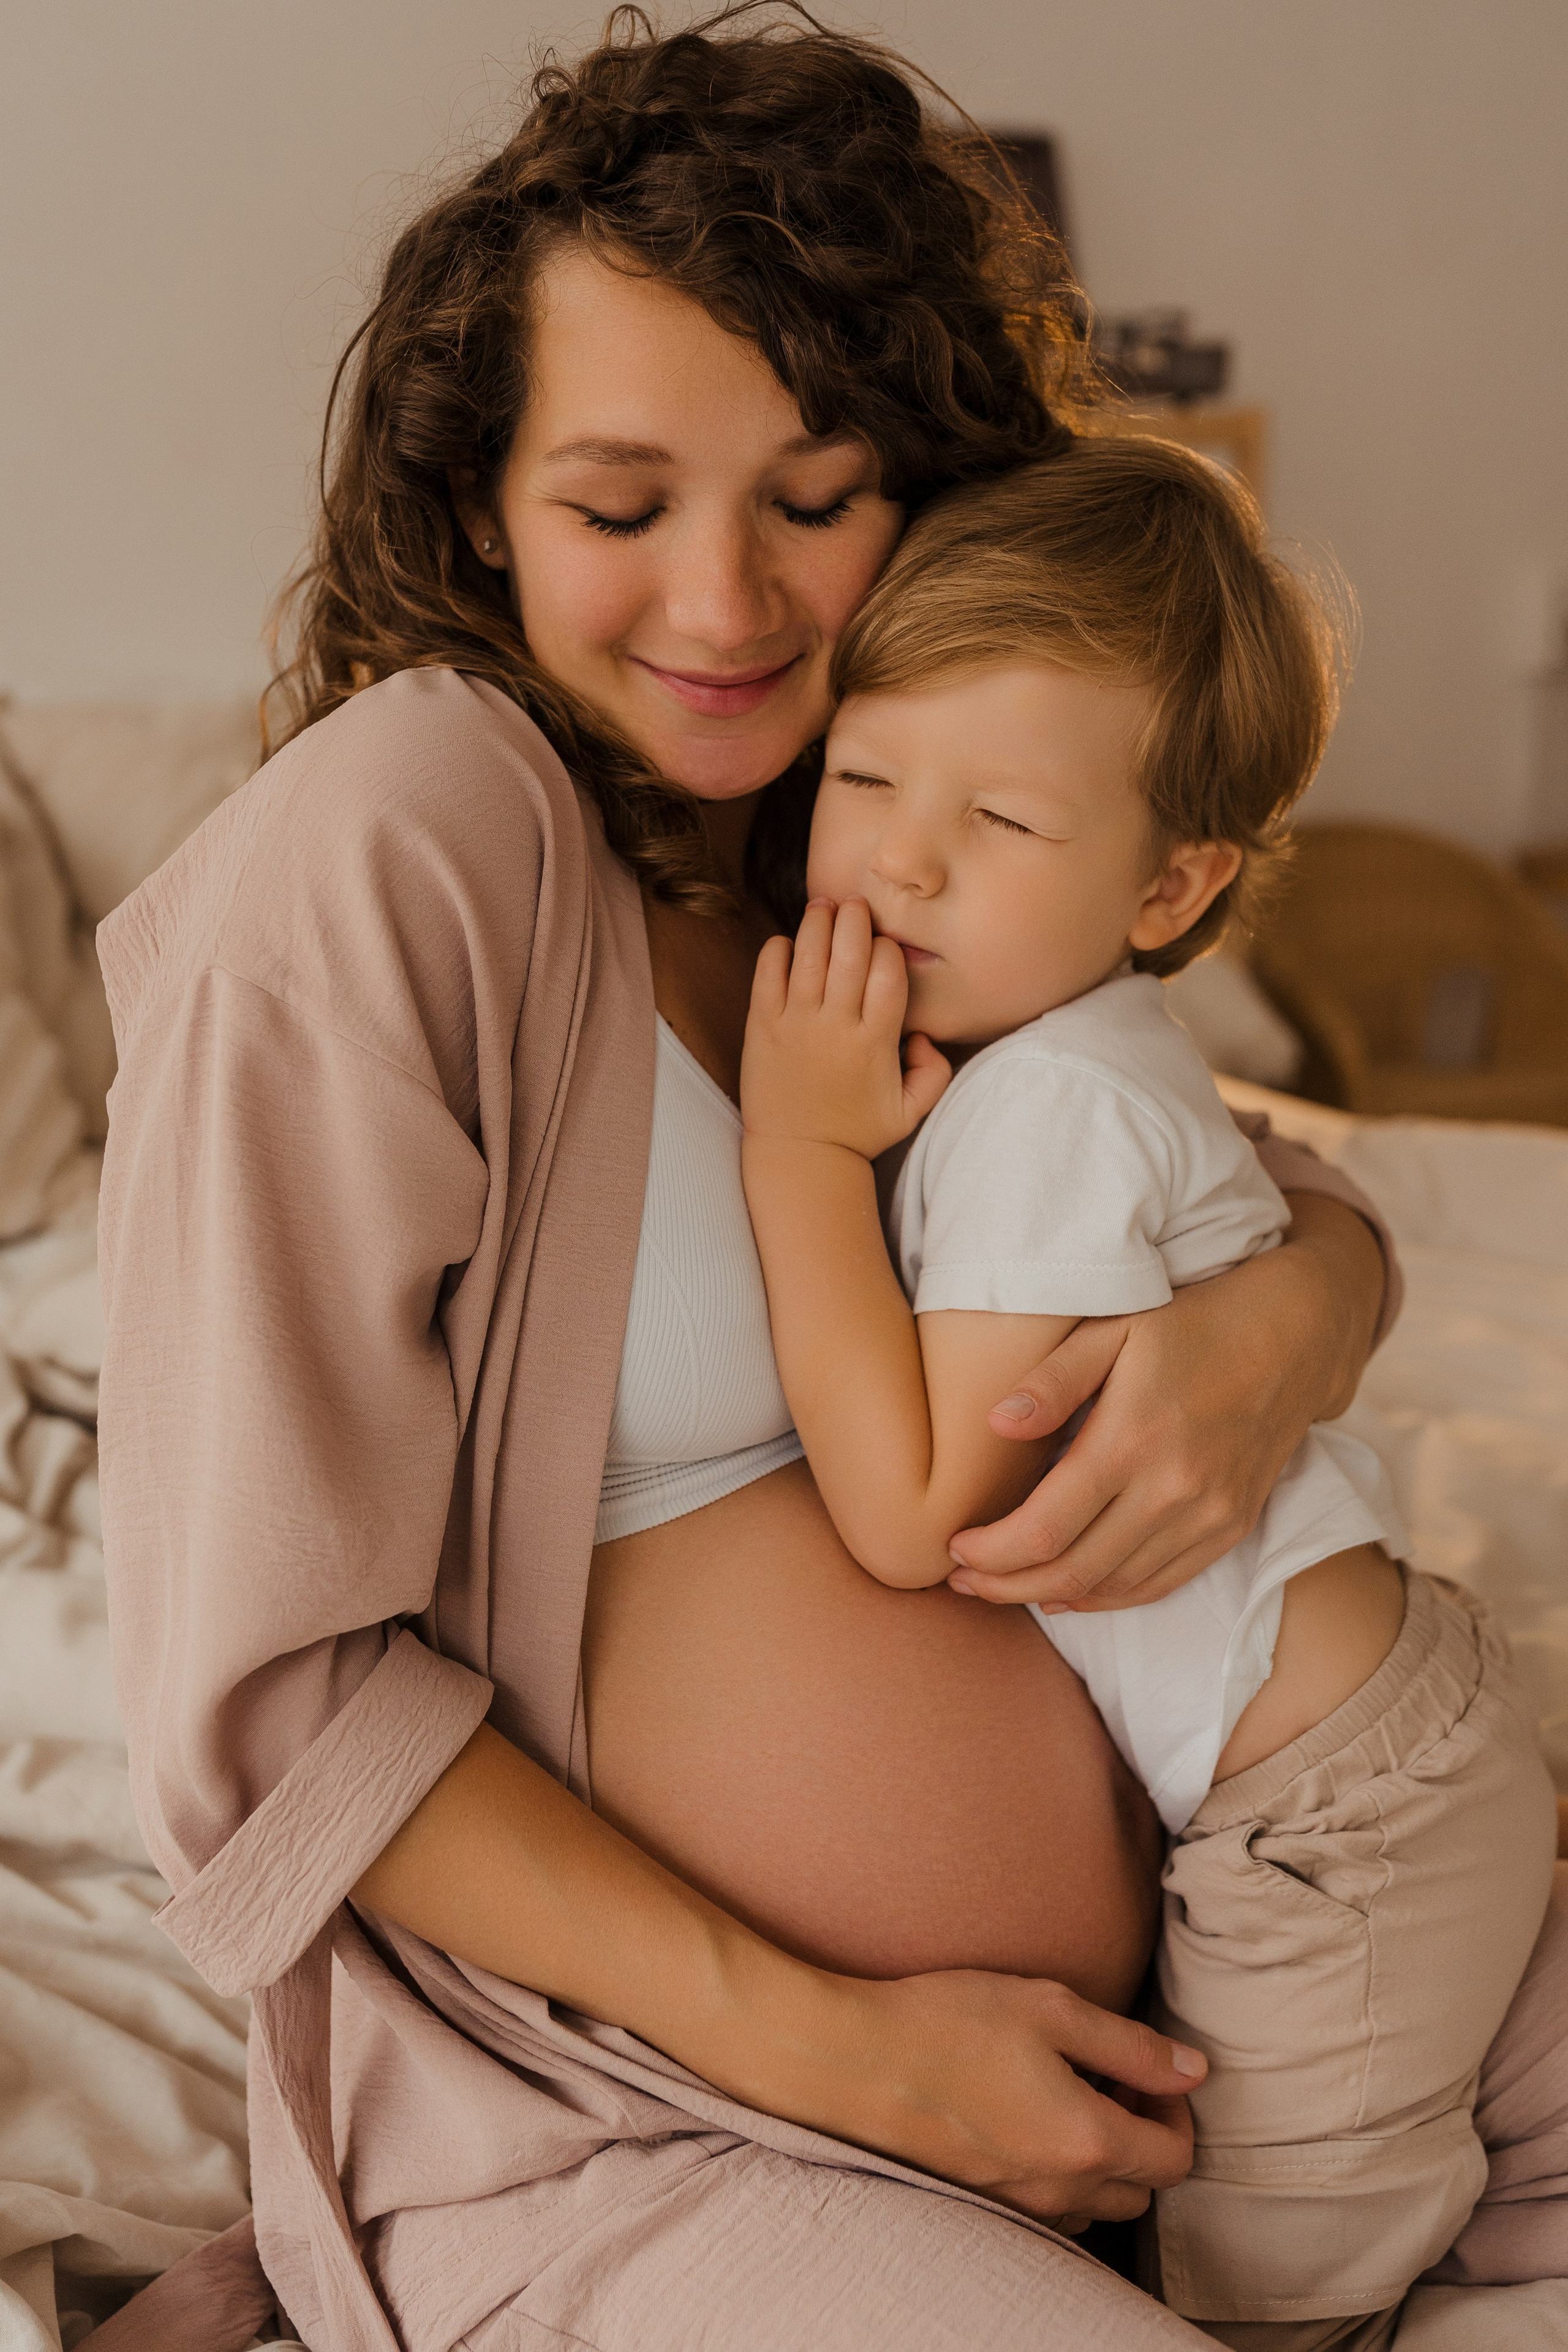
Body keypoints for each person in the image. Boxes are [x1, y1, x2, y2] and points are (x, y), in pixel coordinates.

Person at [91, 10, 1568, 2349]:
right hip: (648, 2111)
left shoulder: (860, 821)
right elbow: (264, 1706)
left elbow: (1213, 1150)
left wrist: (1291, 1323)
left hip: (1242, 1941)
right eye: (616, 505)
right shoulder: (401, 849)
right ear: (480, 499)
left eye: (817, 493)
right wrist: (848, 2047)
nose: (726, 606)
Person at [737, 436, 1559, 2350]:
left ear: (1173, 883)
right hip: (1354, 1755)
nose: (902, 856)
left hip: (1331, 1829)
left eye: (1003, 823)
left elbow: (913, 1509)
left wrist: (794, 1157)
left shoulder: (1063, 1108)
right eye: (865, 777)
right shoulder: (1039, 1049)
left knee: (1271, 2299)